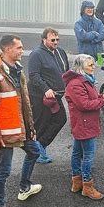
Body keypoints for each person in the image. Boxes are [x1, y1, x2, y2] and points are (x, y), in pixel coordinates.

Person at [0, 35, 41, 207]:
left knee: (34, 151)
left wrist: (30, 127)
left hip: (20, 129)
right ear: (7, 50)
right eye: (19, 48)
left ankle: (24, 187)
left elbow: (24, 103)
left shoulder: (18, 71)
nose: (22, 51)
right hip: (4, 135)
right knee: (3, 171)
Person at [63, 54, 104, 200]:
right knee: (88, 156)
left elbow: (90, 98)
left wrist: (102, 96)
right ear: (80, 67)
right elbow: (84, 105)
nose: (94, 67)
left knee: (77, 153)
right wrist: (103, 100)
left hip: (83, 124)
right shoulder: (76, 84)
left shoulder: (84, 80)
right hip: (84, 124)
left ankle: (76, 182)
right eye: (90, 65)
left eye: (93, 64)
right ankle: (87, 186)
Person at [28, 27, 69, 163]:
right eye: (52, 40)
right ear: (44, 39)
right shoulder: (37, 54)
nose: (56, 42)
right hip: (40, 96)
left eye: (57, 39)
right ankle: (36, 152)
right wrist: (45, 89)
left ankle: (41, 145)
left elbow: (66, 72)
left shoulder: (61, 52)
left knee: (60, 119)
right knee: (41, 122)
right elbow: (33, 75)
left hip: (56, 96)